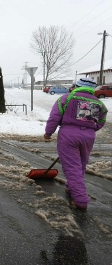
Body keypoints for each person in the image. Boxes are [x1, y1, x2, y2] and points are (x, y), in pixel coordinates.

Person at [44, 77, 107, 211]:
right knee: (81, 164)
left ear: (77, 86)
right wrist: (91, 129)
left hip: (69, 136)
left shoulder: (66, 98)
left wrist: (48, 133)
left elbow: (54, 117)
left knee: (72, 167)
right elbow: (102, 121)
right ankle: (71, 187)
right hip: (88, 137)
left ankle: (81, 200)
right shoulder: (99, 103)